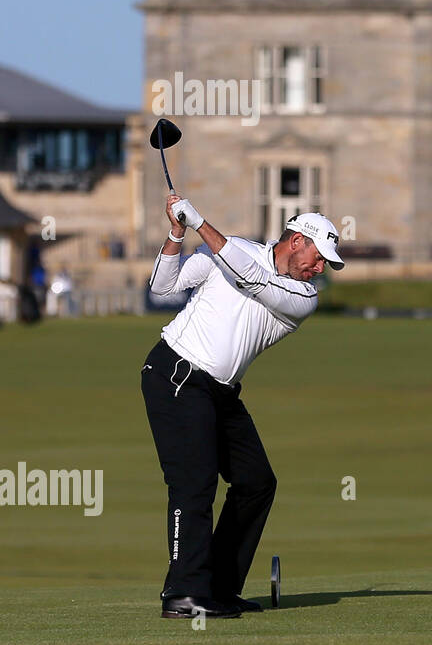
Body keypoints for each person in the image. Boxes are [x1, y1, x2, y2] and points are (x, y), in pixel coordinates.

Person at [142, 194, 343, 619]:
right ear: (296, 241)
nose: (321, 268)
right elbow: (162, 288)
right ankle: (182, 594)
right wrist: (177, 232)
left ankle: (217, 586)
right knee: (194, 482)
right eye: (319, 256)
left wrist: (201, 220)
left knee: (256, 482)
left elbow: (251, 279)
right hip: (176, 373)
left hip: (220, 391)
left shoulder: (304, 297)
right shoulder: (231, 250)